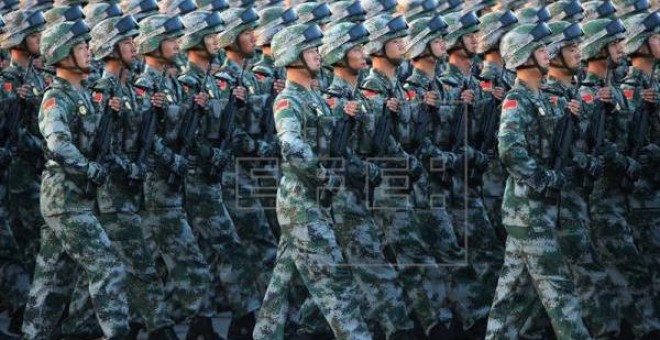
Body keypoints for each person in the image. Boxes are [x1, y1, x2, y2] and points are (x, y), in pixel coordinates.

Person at [253, 23, 372, 340]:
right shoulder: (287, 100)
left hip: (313, 203)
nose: (318, 55)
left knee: (281, 286)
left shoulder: (316, 98)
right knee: (337, 284)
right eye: (310, 50)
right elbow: (292, 147)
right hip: (302, 204)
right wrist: (326, 178)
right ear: (292, 55)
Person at [22, 19, 131, 340]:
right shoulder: (57, 97)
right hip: (65, 199)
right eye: (81, 47)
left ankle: (36, 333)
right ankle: (116, 333)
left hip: (78, 198)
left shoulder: (84, 94)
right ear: (63, 54)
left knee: (53, 274)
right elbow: (57, 143)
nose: (88, 52)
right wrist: (88, 168)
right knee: (107, 264)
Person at [485, 22, 592, 340]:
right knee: (561, 293)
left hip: (538, 211)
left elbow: (566, 143)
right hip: (529, 212)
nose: (549, 54)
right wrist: (546, 179)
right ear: (523, 55)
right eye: (542, 49)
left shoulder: (545, 99)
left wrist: (576, 117)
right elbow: (510, 151)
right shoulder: (517, 100)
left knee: (511, 297)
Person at [133, 13, 216, 339]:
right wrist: (172, 159)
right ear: (154, 44)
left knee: (151, 260)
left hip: (174, 185)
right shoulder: (145, 86)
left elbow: (183, 131)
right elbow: (142, 136)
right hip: (157, 185)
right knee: (188, 259)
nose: (177, 45)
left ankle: (147, 323)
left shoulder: (172, 83)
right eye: (170, 40)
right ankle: (201, 323)